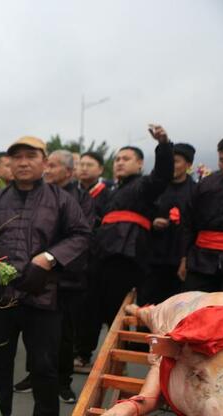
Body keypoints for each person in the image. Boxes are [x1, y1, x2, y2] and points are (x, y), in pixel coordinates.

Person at [0, 137, 90, 416]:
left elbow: (81, 235)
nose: (23, 162)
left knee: (44, 362)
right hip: (1, 296)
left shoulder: (61, 199)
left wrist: (50, 258)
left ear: (44, 161)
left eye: (30, 156)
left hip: (43, 295)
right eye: (17, 157)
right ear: (9, 164)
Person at [75, 127, 174, 370]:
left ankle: (118, 359)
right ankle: (84, 354)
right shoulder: (110, 191)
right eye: (117, 159)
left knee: (115, 308)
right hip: (102, 252)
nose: (119, 163)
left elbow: (162, 175)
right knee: (90, 305)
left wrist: (163, 144)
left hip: (126, 255)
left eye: (126, 159)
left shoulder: (145, 185)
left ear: (140, 164)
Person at [13, 150, 94, 404]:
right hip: (38, 276)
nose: (48, 170)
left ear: (69, 172)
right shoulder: (38, 194)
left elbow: (82, 236)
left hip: (67, 276)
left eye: (55, 166)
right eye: (49, 165)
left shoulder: (80, 197)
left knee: (64, 333)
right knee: (36, 333)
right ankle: (33, 375)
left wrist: (53, 256)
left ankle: (63, 381)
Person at [138, 143, 196, 304]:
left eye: (176, 161)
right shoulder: (155, 188)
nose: (171, 166)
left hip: (180, 263)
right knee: (147, 307)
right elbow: (140, 211)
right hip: (152, 259)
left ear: (189, 165)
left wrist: (186, 259)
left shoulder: (196, 191)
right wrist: (152, 222)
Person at [180, 134, 223, 291]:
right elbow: (188, 223)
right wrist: (183, 259)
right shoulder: (205, 185)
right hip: (201, 261)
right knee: (195, 309)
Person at [76, 151, 111, 224]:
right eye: (81, 165)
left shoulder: (108, 195)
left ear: (100, 169)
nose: (84, 168)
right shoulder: (69, 190)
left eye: (89, 165)